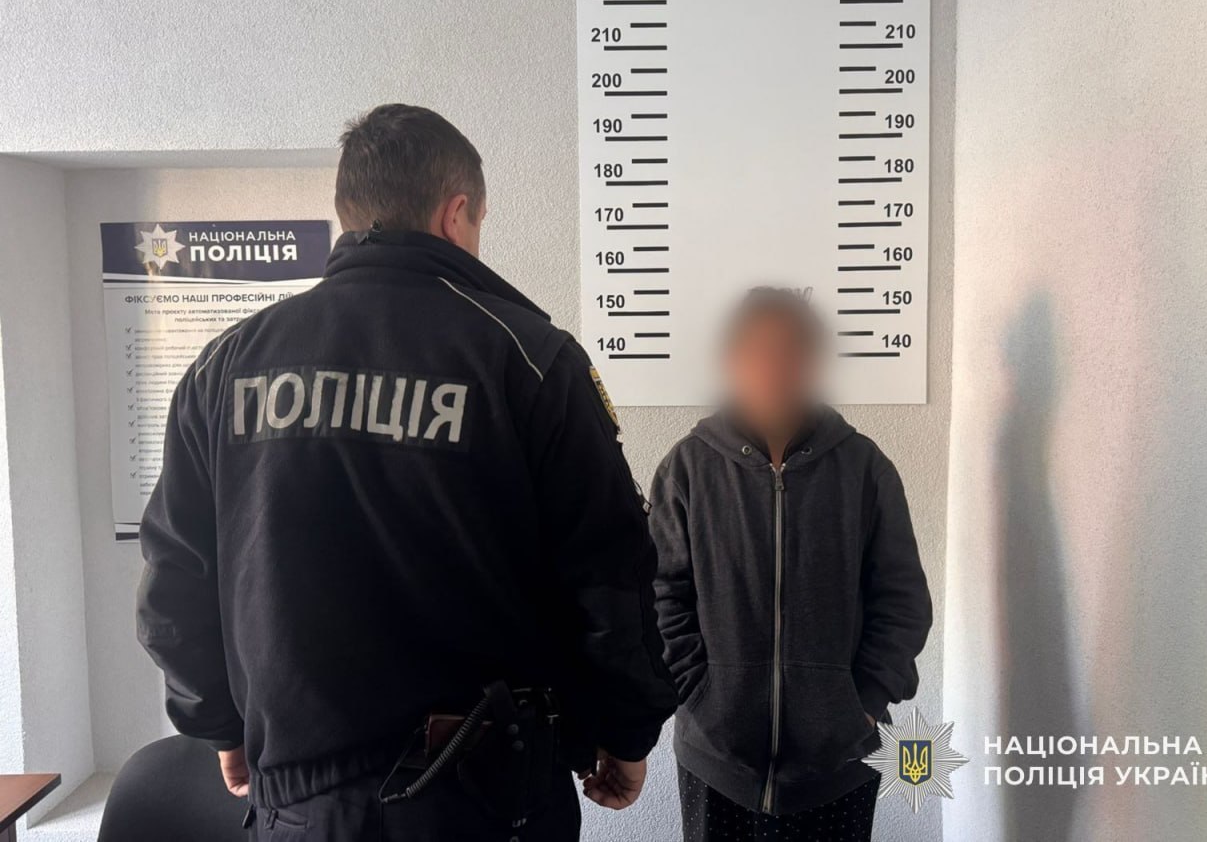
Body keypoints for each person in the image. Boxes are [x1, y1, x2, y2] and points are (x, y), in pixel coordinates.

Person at [136, 103, 677, 841]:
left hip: (300, 805)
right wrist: (624, 733)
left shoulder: (226, 367)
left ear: (349, 212)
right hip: (489, 803)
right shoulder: (527, 360)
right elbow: (609, 577)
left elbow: (174, 579)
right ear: (456, 214)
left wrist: (219, 726)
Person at [649, 288, 932, 842]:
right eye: (758, 351)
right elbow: (660, 594)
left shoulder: (865, 469)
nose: (774, 368)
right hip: (717, 764)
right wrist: (699, 694)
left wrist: (863, 702)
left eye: (791, 351)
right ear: (732, 361)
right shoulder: (688, 468)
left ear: (815, 361)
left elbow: (902, 601)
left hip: (839, 767)